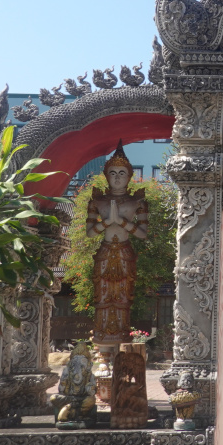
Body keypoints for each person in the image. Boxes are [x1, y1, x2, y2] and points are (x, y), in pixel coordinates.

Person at [86, 141, 148, 345]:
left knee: (123, 296)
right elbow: (90, 234)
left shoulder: (136, 202)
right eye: (113, 172)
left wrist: (120, 222)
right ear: (106, 175)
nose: (117, 177)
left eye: (122, 173)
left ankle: (122, 337)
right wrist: (106, 222)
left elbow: (142, 234)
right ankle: (102, 341)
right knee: (103, 297)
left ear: (129, 176)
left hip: (125, 252)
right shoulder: (98, 201)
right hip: (104, 252)